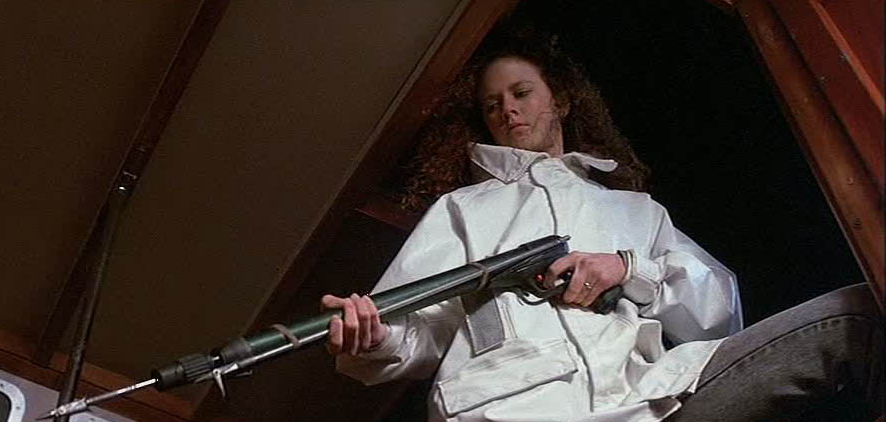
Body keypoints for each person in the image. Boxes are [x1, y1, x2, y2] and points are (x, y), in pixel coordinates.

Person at [321, 30, 882, 422]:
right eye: (492, 105)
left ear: (561, 101)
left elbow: (718, 314)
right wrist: (374, 339)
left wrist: (629, 270)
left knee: (856, 315)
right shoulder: (463, 209)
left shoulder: (637, 211)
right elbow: (415, 332)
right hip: (512, 411)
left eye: (521, 93)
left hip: (656, 400)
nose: (508, 111)